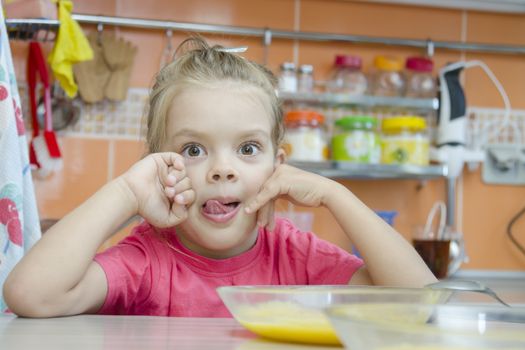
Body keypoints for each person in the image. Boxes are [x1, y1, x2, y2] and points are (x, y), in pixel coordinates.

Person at [3, 37, 436, 318]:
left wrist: (334, 194)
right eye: (193, 150)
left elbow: (420, 302)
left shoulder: (294, 254)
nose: (222, 169)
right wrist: (127, 192)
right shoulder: (147, 259)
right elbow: (29, 295)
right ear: (162, 166)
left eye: (248, 149)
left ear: (277, 165)